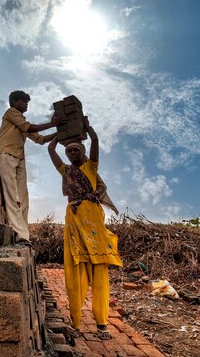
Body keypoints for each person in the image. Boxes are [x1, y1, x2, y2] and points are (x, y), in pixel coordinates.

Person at [47, 118, 123, 340]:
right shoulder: (65, 171)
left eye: (75, 151)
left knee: (99, 272)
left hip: (93, 220)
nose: (71, 154)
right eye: (68, 152)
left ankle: (102, 324)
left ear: (82, 152)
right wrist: (59, 133)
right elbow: (51, 150)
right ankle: (76, 323)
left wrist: (86, 127)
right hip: (74, 219)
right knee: (76, 271)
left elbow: (95, 141)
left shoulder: (91, 166)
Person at [0, 90, 63, 245]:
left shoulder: (22, 122)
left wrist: (60, 133)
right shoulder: (11, 112)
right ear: (15, 102)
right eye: (24, 101)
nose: (26, 105)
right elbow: (29, 128)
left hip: (19, 158)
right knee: (12, 196)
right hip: (6, 154)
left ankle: (22, 235)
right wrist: (53, 123)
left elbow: (41, 139)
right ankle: (20, 235)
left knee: (23, 198)